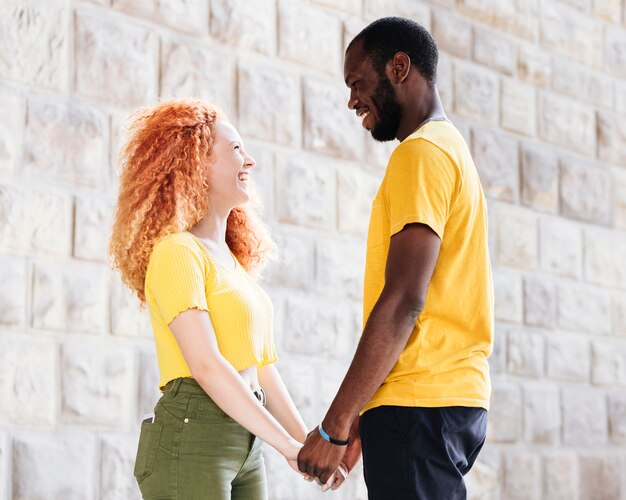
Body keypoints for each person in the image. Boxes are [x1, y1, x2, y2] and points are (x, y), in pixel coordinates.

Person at [297, 17, 494, 500]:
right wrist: (364, 414)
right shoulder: (450, 150)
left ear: (399, 67)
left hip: (419, 407)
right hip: (441, 403)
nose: (351, 100)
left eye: (358, 82)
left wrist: (335, 425)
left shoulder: (421, 154)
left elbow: (405, 297)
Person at [109, 99, 343, 499]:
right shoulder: (177, 252)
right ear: (196, 162)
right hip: (192, 433)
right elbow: (207, 365)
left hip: (243, 439)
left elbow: (262, 370)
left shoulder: (235, 267)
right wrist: (285, 445)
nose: (249, 160)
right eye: (236, 149)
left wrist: (305, 441)